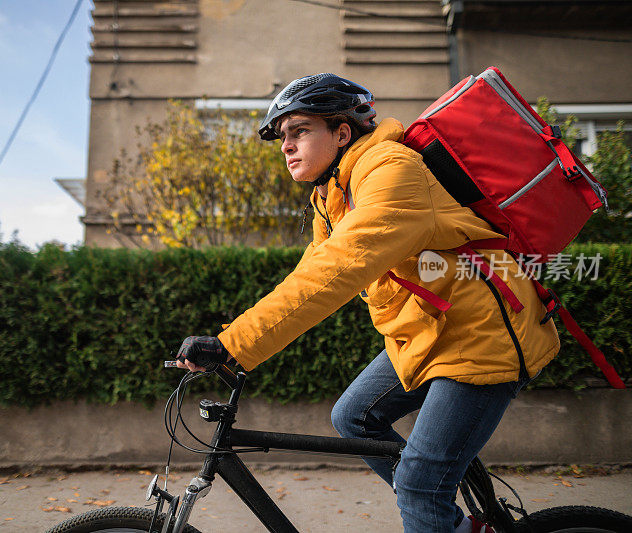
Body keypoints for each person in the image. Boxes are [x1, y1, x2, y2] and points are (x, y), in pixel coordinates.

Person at [176, 74, 560, 533]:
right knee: (354, 416)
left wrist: (233, 345)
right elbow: (309, 278)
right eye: (283, 136)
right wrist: (231, 343)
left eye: (299, 130)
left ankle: (431, 508)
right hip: (432, 330)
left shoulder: (390, 170)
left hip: (484, 336)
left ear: (342, 133)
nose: (286, 145)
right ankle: (452, 524)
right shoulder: (334, 195)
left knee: (420, 486)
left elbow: (338, 269)